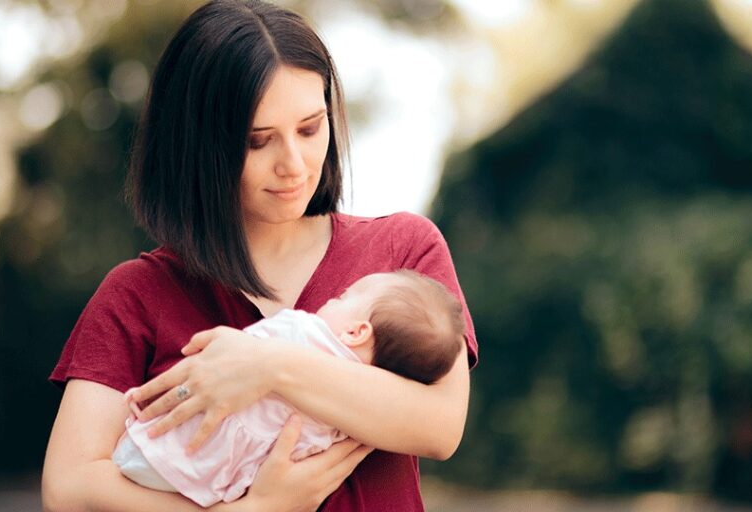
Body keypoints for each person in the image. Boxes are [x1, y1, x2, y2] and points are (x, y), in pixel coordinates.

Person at [41, 0, 478, 511]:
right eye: (257, 141)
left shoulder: (402, 253)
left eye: (311, 128)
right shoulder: (138, 295)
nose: (293, 164)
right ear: (198, 147)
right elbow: (67, 489)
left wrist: (268, 365)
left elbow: (440, 425)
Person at [112, 270, 466, 507]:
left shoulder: (301, 331)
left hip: (165, 450)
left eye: (344, 296)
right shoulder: (348, 420)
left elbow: (230, 355)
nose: (332, 299)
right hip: (213, 484)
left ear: (357, 332)